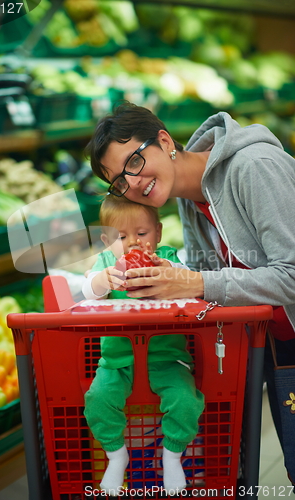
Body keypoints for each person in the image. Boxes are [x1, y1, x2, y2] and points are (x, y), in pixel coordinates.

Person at [85, 102, 295, 486]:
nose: (131, 184)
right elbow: (208, 276)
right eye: (118, 181)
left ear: (164, 141)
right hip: (270, 340)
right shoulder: (185, 198)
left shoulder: (254, 167)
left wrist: (192, 283)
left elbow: (291, 274)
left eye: (133, 162)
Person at [82, 195, 205, 495]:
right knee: (97, 399)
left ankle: (172, 455)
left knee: (186, 400)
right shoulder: (107, 263)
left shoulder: (166, 257)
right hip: (117, 360)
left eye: (142, 233)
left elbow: (187, 289)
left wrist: (165, 271)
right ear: (107, 241)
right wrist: (103, 281)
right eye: (121, 237)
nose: (133, 243)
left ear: (159, 233)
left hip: (166, 357)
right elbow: (86, 292)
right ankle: (115, 454)